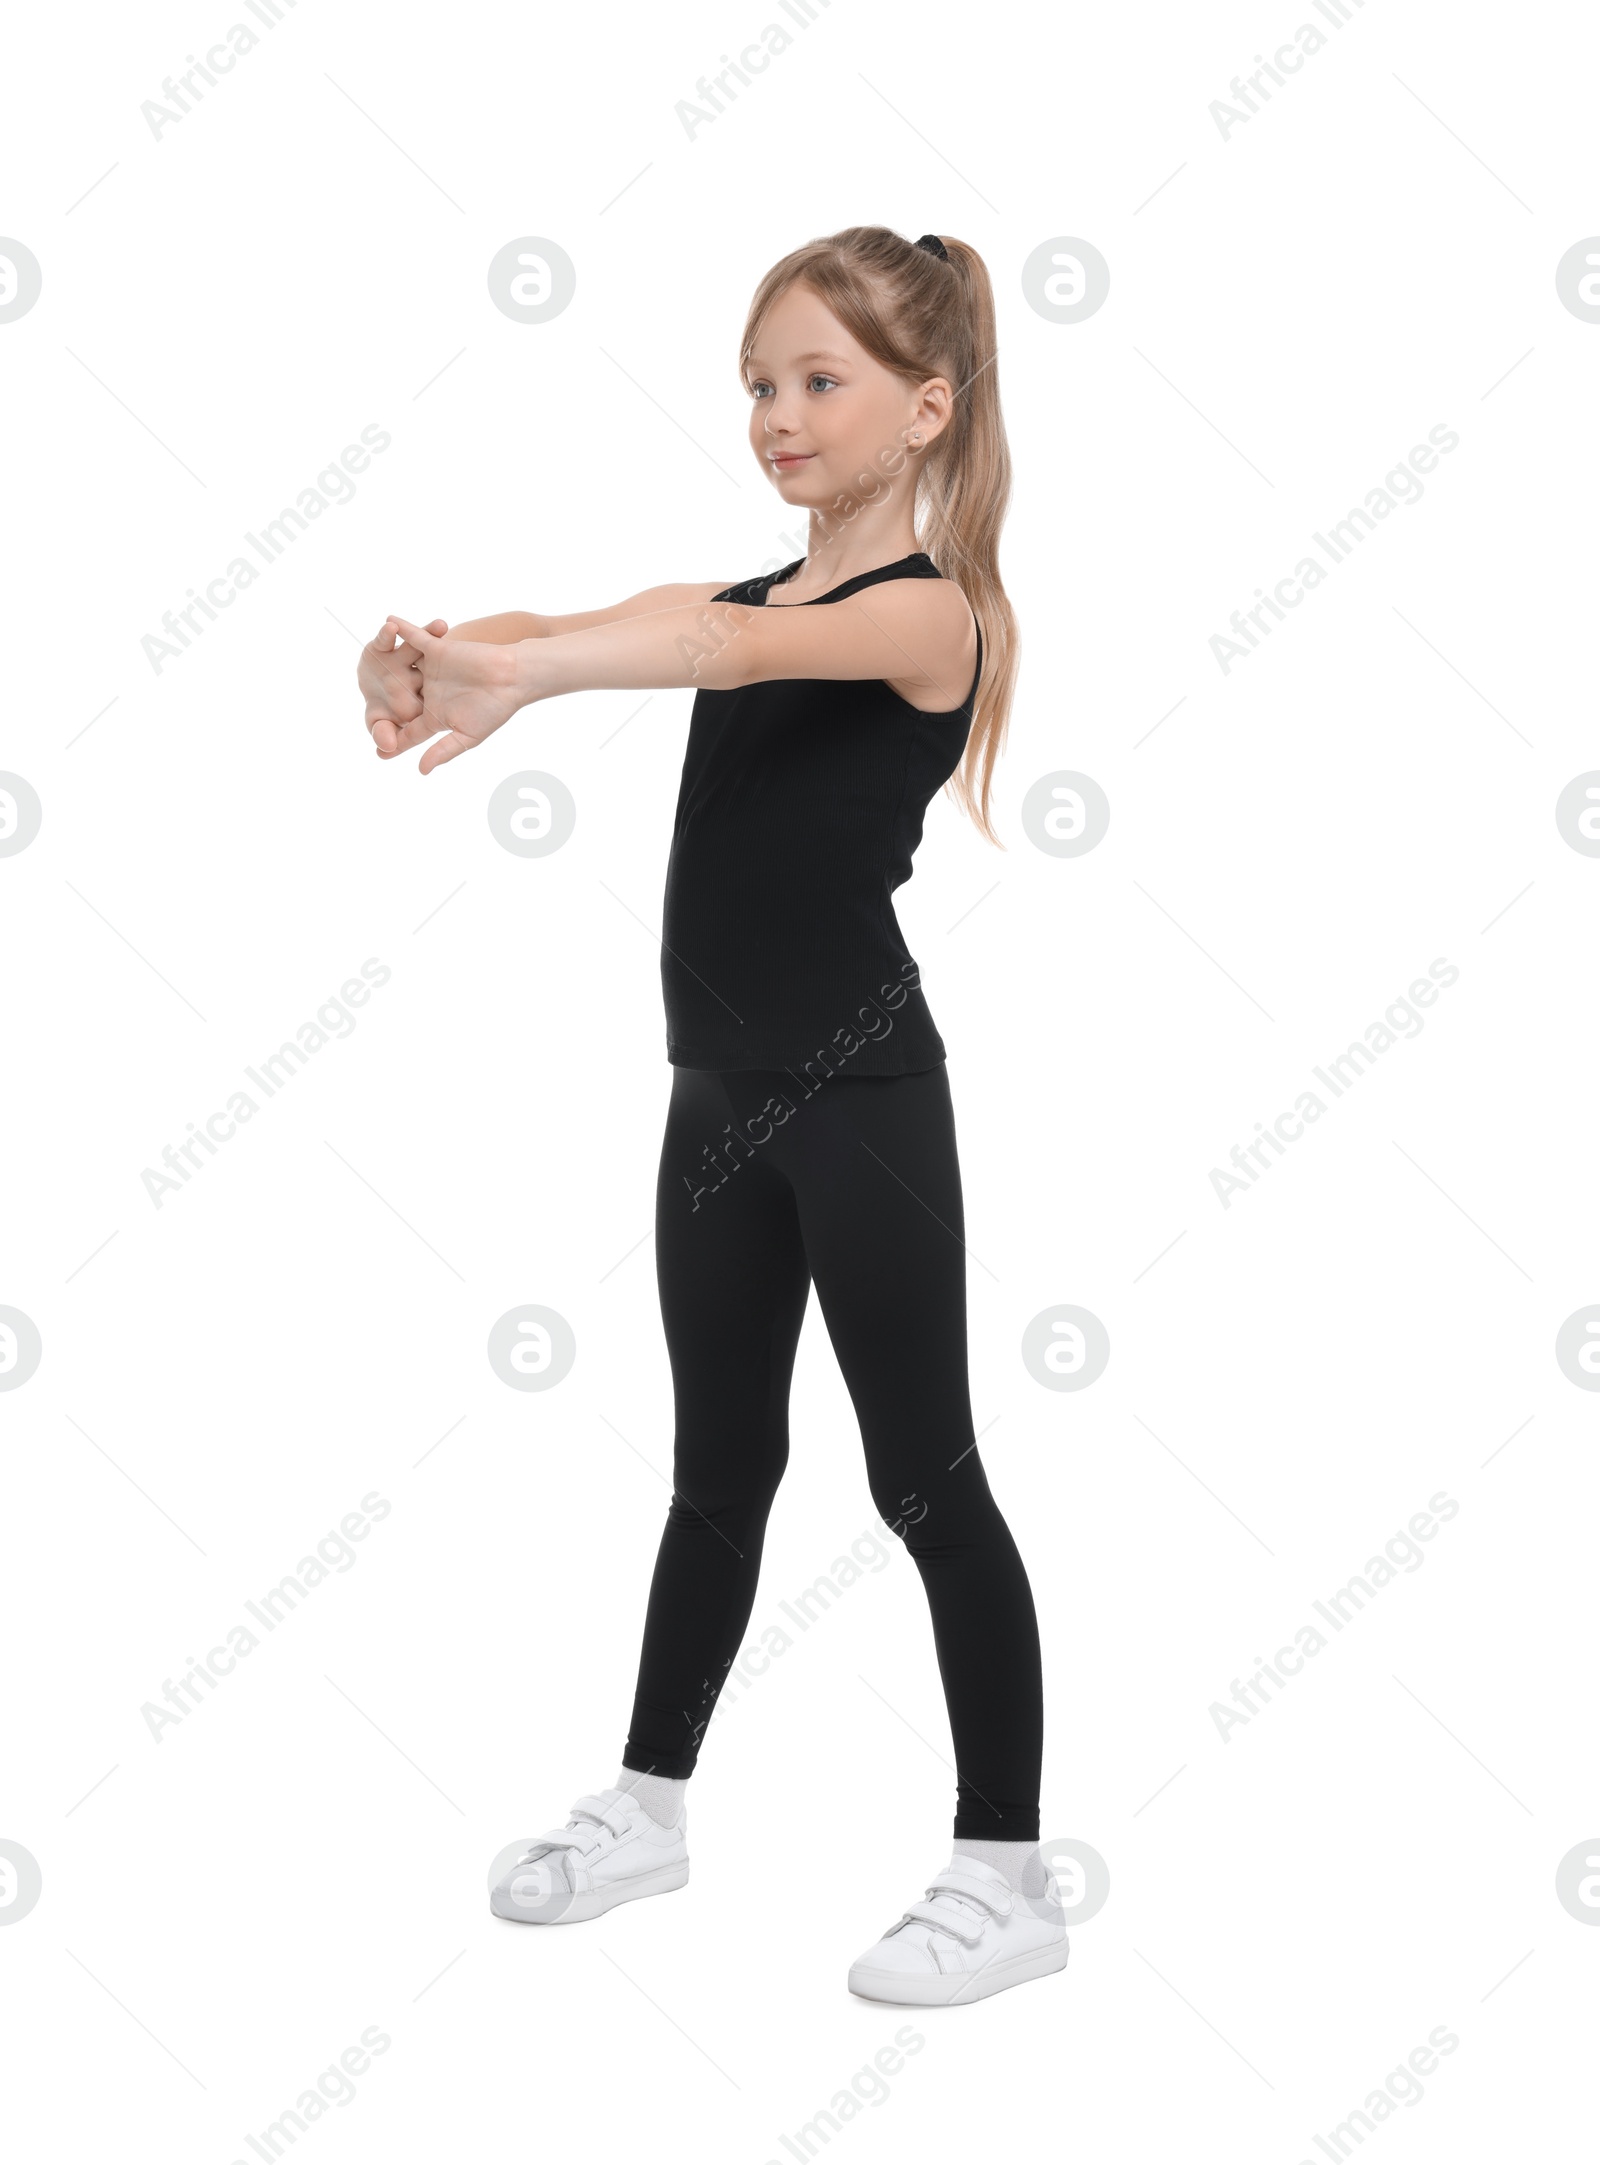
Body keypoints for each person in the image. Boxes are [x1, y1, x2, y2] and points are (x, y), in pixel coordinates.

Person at [357, 225, 1065, 2006]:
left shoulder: (930, 611)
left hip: (862, 1098)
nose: (778, 412)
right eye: (760, 381)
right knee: (717, 1470)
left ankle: (1008, 1870)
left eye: (820, 380)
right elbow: (610, 622)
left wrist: (537, 672)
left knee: (926, 1477)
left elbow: (701, 646)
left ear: (926, 407)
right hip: (719, 1096)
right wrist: (441, 655)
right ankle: (650, 1807)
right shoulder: (760, 594)